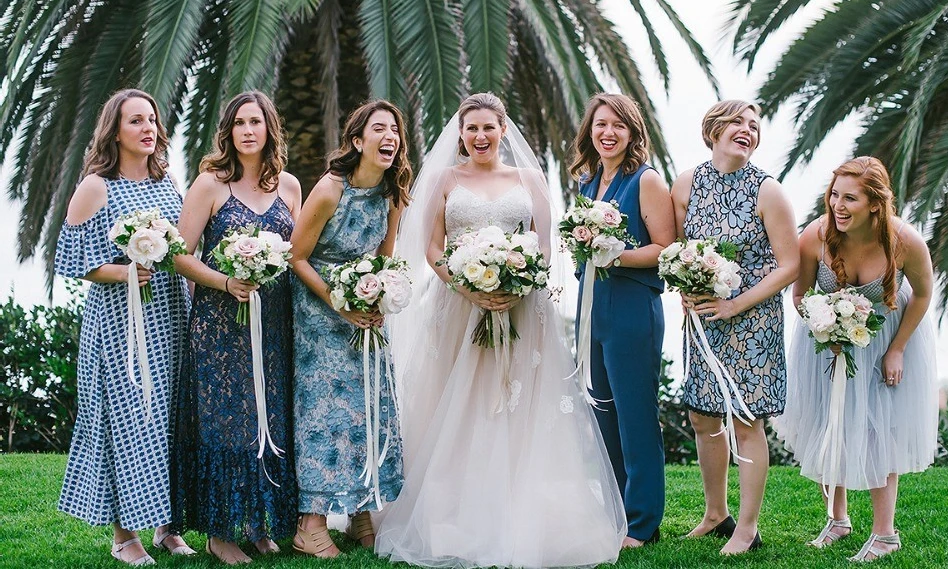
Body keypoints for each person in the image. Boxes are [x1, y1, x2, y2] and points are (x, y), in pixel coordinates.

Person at [375, 92, 626, 568]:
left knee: (516, 407)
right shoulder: (446, 180)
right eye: (471, 128)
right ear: (461, 134)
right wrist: (468, 287)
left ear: (503, 129)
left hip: (521, 309)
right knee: (459, 406)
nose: (480, 136)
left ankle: (514, 511)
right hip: (458, 309)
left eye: (488, 127)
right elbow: (432, 249)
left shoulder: (529, 180)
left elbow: (546, 249)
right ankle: (455, 516)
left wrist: (515, 287)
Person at [54, 88, 194, 565]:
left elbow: (181, 249)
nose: (148, 128)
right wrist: (126, 271)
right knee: (129, 420)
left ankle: (166, 527)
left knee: (168, 418)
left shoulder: (167, 184)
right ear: (115, 129)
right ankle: (123, 537)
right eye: (136, 121)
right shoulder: (96, 186)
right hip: (118, 322)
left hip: (170, 315)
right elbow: (71, 259)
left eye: (152, 119)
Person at [777, 156, 937, 562]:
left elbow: (922, 294)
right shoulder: (815, 235)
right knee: (826, 421)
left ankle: (885, 535)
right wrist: (823, 328)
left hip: (884, 339)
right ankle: (837, 519)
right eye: (834, 195)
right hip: (825, 342)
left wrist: (897, 348)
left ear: (875, 204)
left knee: (878, 428)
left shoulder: (906, 242)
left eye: (850, 198)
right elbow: (799, 295)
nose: (838, 206)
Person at [171, 91, 301, 565]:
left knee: (270, 414)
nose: (249, 130)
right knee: (228, 420)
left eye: (257, 122)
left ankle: (257, 521)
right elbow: (179, 255)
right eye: (240, 122)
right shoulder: (209, 185)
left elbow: (295, 254)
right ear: (228, 131)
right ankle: (221, 531)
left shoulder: (289, 186)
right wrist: (226, 281)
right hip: (219, 322)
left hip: (274, 320)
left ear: (270, 130)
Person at [671, 100, 799, 554]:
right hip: (703, 321)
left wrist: (735, 305)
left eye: (754, 125)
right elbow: (680, 251)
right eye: (738, 123)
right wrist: (685, 288)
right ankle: (715, 513)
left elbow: (790, 265)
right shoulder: (687, 182)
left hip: (753, 321)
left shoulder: (768, 191)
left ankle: (747, 528)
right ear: (713, 130)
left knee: (746, 419)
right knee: (702, 414)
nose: (748, 130)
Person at [288, 100, 412, 558]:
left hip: (365, 316)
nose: (390, 137)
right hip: (320, 314)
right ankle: (311, 525)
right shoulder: (329, 189)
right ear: (358, 141)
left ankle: (360, 507)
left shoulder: (393, 191)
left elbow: (385, 256)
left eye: (395, 130)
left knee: (368, 408)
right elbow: (296, 256)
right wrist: (339, 303)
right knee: (326, 415)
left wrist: (379, 295)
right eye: (379, 129)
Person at [569, 93, 675, 547]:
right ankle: (614, 512)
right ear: (589, 132)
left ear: (632, 132)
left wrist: (614, 255)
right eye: (600, 125)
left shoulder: (645, 180)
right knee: (602, 412)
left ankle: (642, 522)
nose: (607, 133)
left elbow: (665, 248)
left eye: (617, 125)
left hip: (633, 306)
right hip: (591, 304)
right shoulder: (587, 183)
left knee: (634, 416)